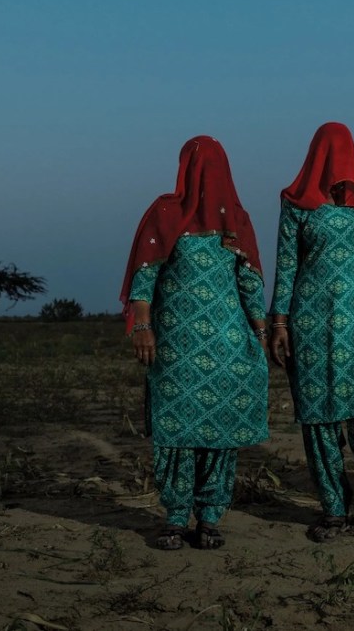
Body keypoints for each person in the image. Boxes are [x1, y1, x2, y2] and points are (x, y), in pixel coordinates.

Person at [121, 136, 269, 551]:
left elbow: (250, 282)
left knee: (219, 432)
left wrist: (260, 336)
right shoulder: (165, 214)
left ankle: (208, 518)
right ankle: (173, 517)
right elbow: (144, 276)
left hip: (228, 346)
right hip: (175, 347)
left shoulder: (236, 220)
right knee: (177, 431)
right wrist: (142, 326)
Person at [269, 122, 354, 544]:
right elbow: (287, 265)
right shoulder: (298, 206)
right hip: (311, 325)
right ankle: (333, 510)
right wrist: (279, 322)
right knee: (320, 417)